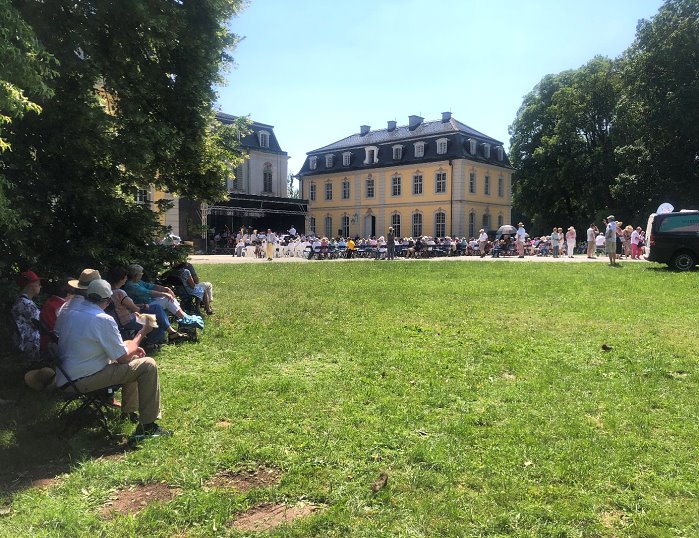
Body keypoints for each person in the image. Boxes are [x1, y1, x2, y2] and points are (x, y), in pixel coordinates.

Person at [54, 279, 170, 440]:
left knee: (134, 358)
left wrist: (131, 347)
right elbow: (122, 358)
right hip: (82, 380)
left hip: (65, 376)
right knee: (147, 365)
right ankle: (148, 427)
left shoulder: (70, 311)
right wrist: (142, 333)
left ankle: (129, 412)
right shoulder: (102, 319)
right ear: (108, 301)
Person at [106, 266, 185, 344]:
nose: (126, 279)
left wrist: (142, 305)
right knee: (156, 316)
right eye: (125, 277)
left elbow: (125, 306)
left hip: (120, 321)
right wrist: (143, 306)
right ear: (121, 279)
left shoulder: (108, 292)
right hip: (128, 321)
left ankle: (167, 335)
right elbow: (135, 309)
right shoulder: (120, 293)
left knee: (157, 312)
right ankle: (155, 341)